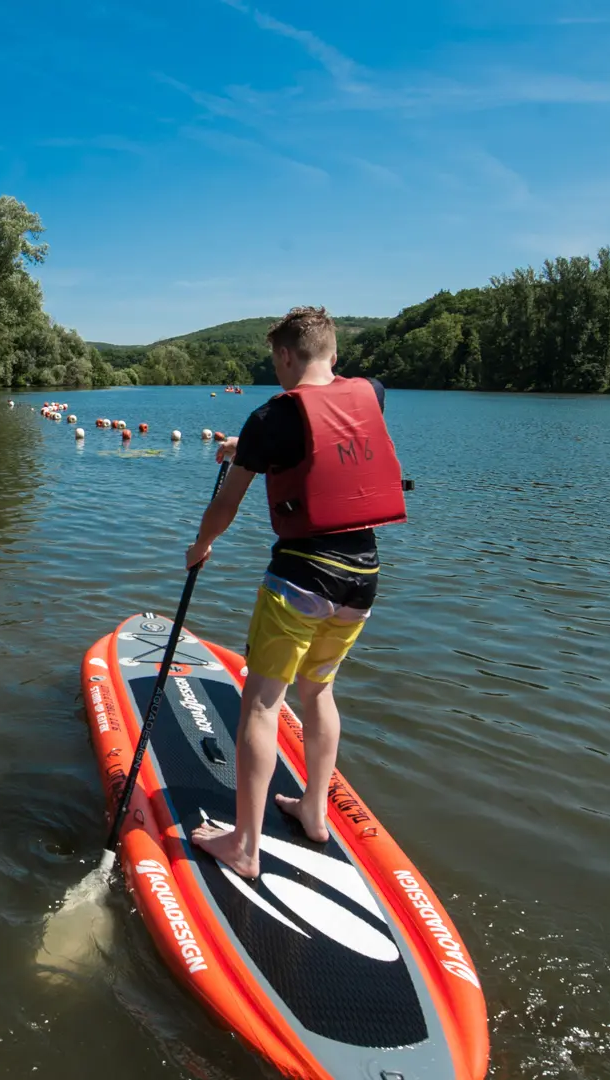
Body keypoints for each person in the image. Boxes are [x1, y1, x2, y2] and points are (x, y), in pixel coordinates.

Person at [183, 306, 406, 880]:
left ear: (285, 355)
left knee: (261, 704)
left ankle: (245, 847)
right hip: (363, 578)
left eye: (275, 361)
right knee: (319, 690)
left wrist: (200, 546)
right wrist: (245, 445)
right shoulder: (372, 393)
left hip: (301, 580)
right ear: (333, 351)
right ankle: (313, 809)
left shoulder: (270, 417)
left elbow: (227, 505)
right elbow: (324, 427)